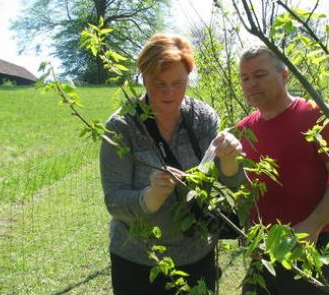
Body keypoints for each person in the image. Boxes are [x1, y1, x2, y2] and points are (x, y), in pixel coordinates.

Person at [99, 33, 244, 295]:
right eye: (158, 83)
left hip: (198, 257)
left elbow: (227, 187)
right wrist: (150, 196)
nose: (169, 92)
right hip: (139, 261)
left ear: (189, 77)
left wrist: (231, 161)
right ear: (143, 78)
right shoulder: (123, 126)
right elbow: (114, 201)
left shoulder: (202, 118)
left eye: (178, 82)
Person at [237, 45, 329, 294]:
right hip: (264, 255)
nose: (251, 84)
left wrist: (313, 225)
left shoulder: (314, 115)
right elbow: (245, 190)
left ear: (284, 75)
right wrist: (248, 232)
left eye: (259, 75)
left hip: (313, 246)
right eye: (245, 78)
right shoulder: (243, 129)